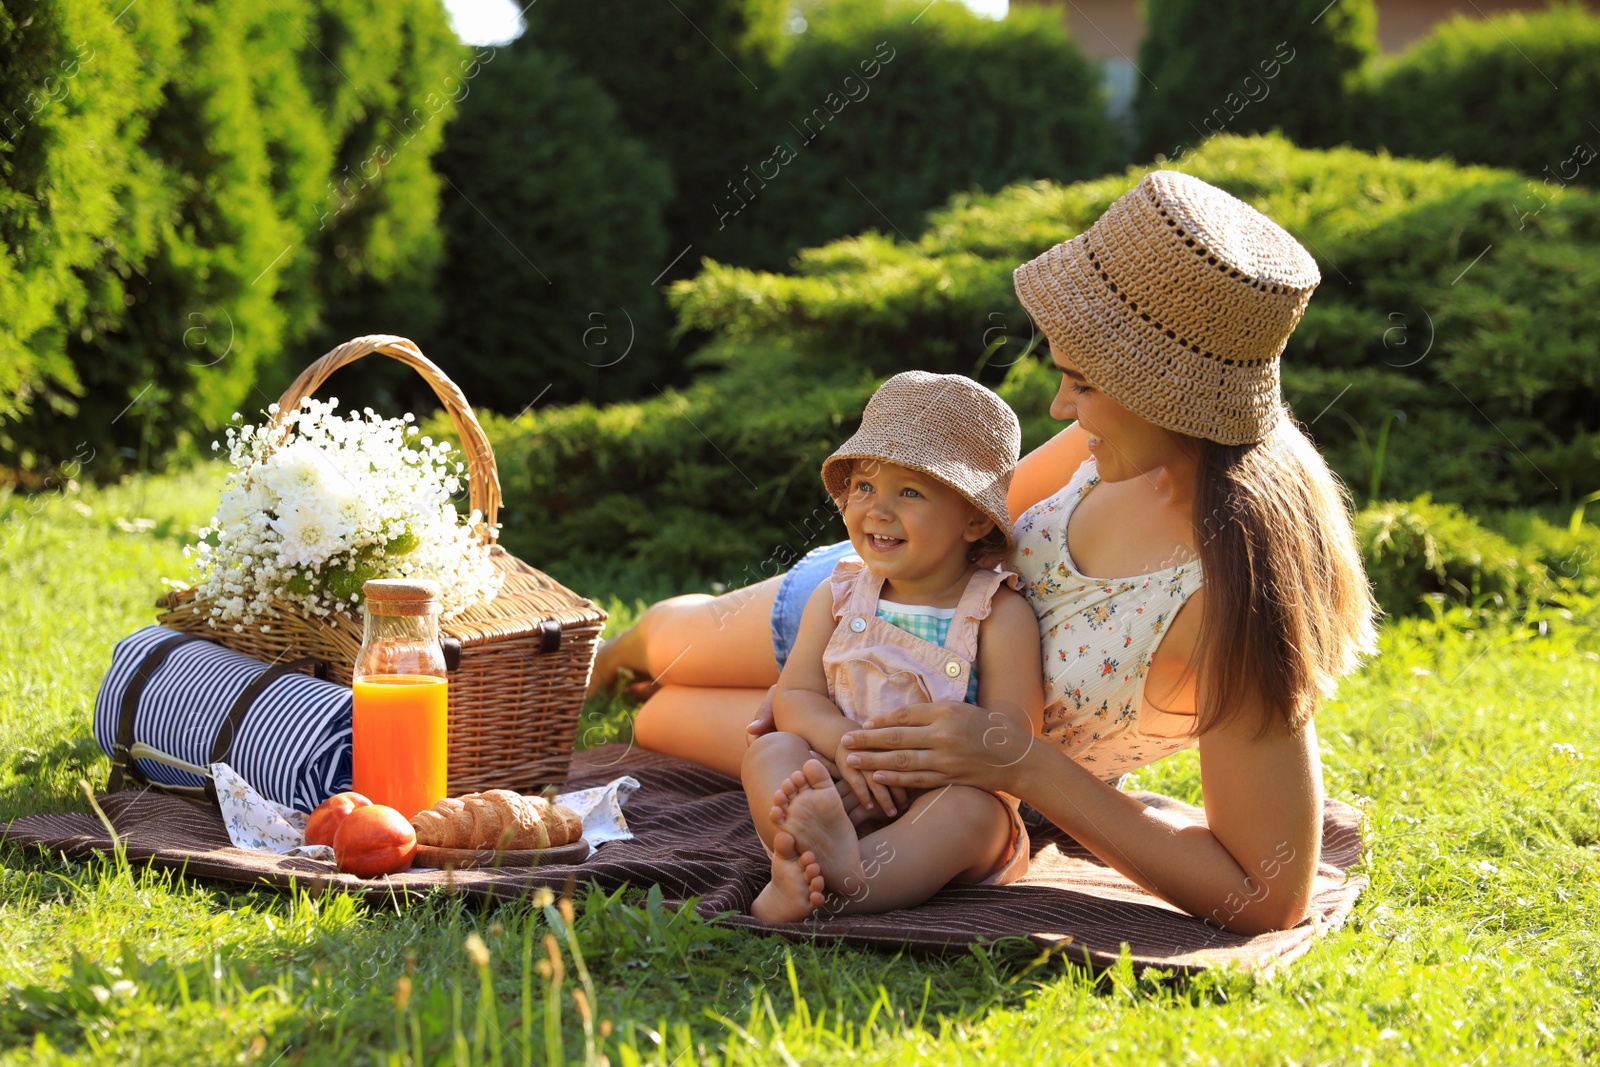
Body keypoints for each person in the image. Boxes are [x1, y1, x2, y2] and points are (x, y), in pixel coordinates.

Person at [592, 170, 1379, 935]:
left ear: (1161, 391)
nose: (1059, 405)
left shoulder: (1238, 585)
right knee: (664, 642)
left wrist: (1021, 765)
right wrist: (815, 683)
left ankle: (641, 698)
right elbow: (975, 509)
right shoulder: (1103, 442)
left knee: (660, 715)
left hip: (917, 764)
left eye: (1080, 383)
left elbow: (1270, 895)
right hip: (860, 604)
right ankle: (596, 659)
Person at [742, 371, 1045, 922]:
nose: (877, 511)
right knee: (772, 752)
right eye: (864, 488)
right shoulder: (838, 595)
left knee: (972, 815)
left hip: (942, 793)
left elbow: (1015, 739)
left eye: (909, 492)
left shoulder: (997, 614)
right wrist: (843, 748)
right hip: (843, 778)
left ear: (974, 519)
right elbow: (796, 696)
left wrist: (919, 769)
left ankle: (845, 881)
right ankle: (798, 858)